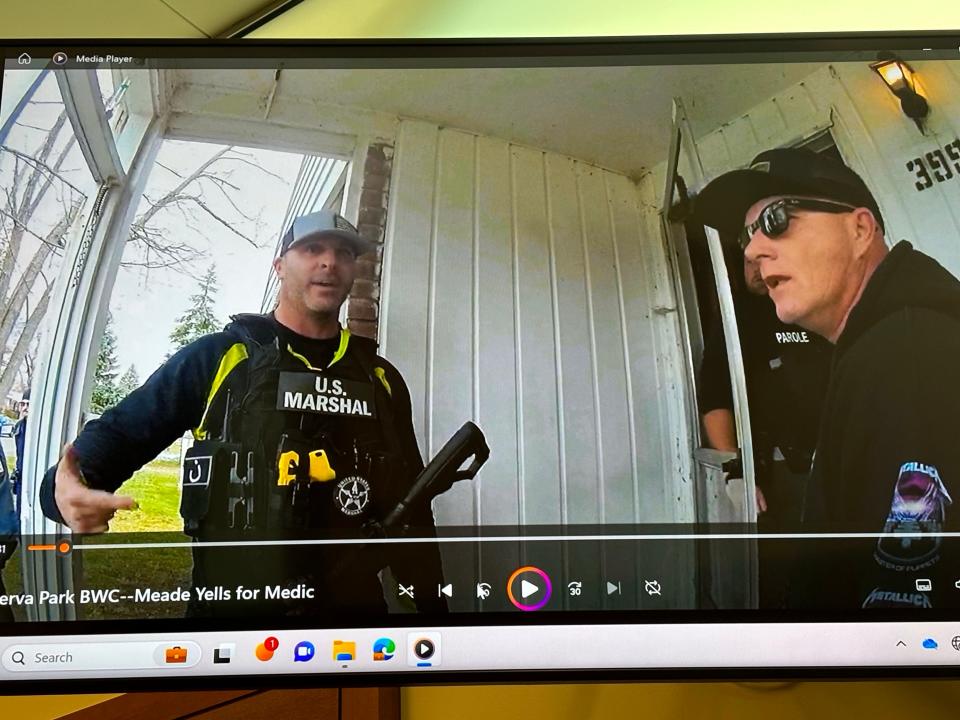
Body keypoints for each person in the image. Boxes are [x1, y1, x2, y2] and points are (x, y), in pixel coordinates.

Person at [39, 210, 447, 617]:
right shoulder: (220, 358)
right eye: (312, 249)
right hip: (231, 631)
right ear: (280, 265)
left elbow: (414, 510)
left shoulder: (380, 380)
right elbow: (110, 444)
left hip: (352, 634)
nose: (329, 262)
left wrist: (434, 613)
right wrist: (63, 493)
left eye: (344, 253)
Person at [695, 146, 960, 609]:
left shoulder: (908, 355)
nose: (755, 250)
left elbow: (912, 600)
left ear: (860, 229)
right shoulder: (877, 340)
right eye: (747, 237)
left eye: (776, 219)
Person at [12, 390, 28, 515]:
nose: (25, 408)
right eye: (23, 404)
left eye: (28, 404)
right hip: (20, 477)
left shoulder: (37, 428)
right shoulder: (19, 426)